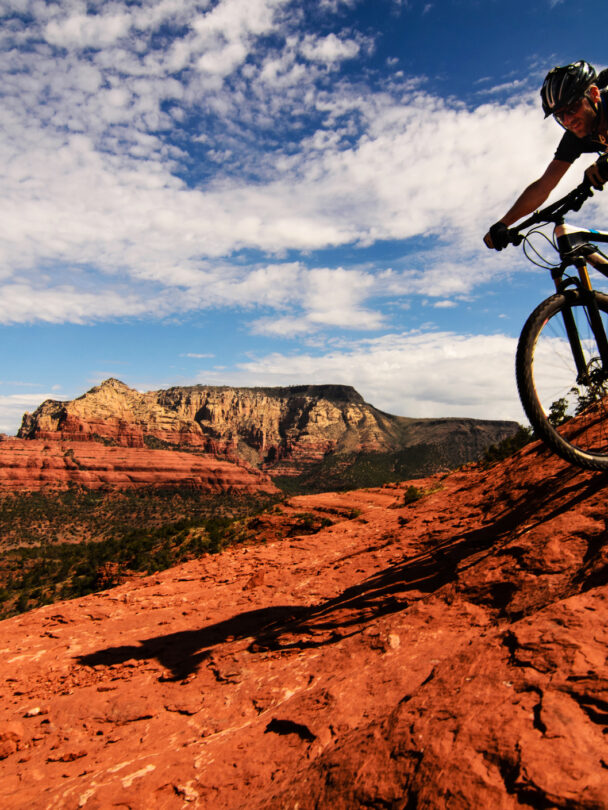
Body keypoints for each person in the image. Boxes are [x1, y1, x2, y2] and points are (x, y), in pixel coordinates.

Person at [484, 60, 608, 251]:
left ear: (594, 94)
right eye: (560, 116)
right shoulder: (575, 138)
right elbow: (543, 186)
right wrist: (503, 224)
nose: (568, 121)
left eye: (572, 108)